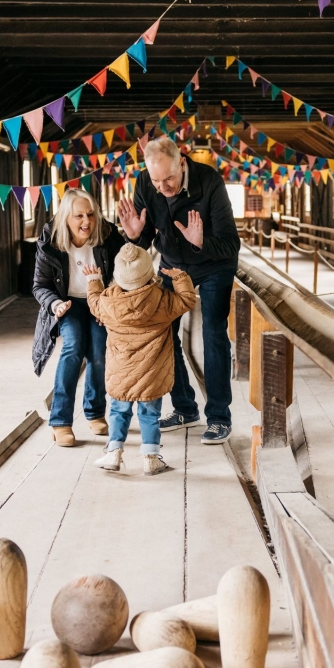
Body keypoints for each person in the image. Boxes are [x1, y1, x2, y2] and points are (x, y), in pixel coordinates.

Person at [117, 138, 240, 444]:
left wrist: (201, 242)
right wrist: (134, 237)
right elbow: (143, 235)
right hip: (172, 262)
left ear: (181, 162)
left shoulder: (210, 181)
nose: (164, 187)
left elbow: (230, 243)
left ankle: (219, 416)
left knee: (212, 332)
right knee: (163, 333)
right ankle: (185, 407)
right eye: (157, 181)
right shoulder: (146, 182)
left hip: (214, 263)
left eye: (169, 179)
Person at [83, 244, 196, 474]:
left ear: (117, 275)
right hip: (151, 374)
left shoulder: (108, 303)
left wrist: (94, 280)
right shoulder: (162, 301)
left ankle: (113, 454)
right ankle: (151, 459)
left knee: (118, 412)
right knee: (150, 414)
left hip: (120, 373)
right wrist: (180, 277)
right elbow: (187, 300)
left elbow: (93, 302)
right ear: (149, 273)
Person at [32, 189, 125, 446]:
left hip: (99, 300)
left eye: (91, 215)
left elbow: (125, 271)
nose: (87, 222)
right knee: (72, 348)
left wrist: (110, 302)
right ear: (66, 219)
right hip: (67, 303)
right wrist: (55, 304)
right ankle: (60, 421)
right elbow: (40, 285)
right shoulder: (50, 241)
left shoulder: (107, 235)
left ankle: (95, 412)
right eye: (79, 216)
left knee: (98, 351)